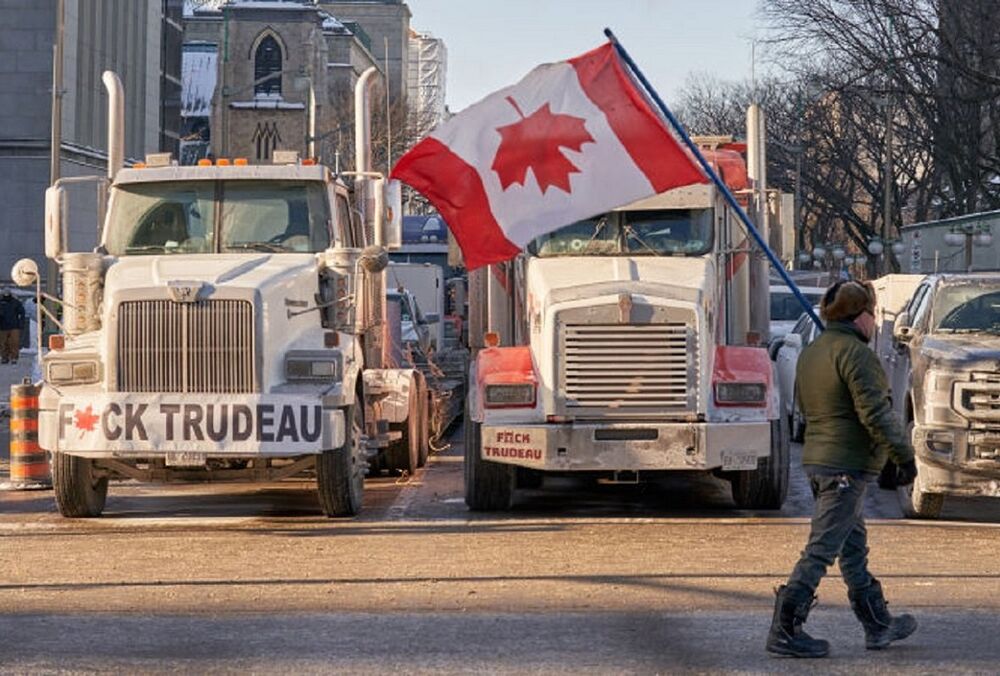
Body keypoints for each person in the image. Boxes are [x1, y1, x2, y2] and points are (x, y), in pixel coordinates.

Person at [766, 280, 919, 658]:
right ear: (859, 316)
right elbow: (876, 412)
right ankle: (785, 628)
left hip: (820, 461)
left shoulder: (813, 352)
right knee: (822, 550)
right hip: (845, 466)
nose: (874, 322)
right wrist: (903, 456)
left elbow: (803, 406)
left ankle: (877, 624)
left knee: (852, 550)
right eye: (871, 313)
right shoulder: (857, 355)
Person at [0, 288, 26, 364]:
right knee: (3, 343)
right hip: (2, 326)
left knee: (14, 343)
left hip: (14, 326)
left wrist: (21, 323)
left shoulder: (16, 303)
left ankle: (14, 357)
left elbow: (22, 313)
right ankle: (4, 357)